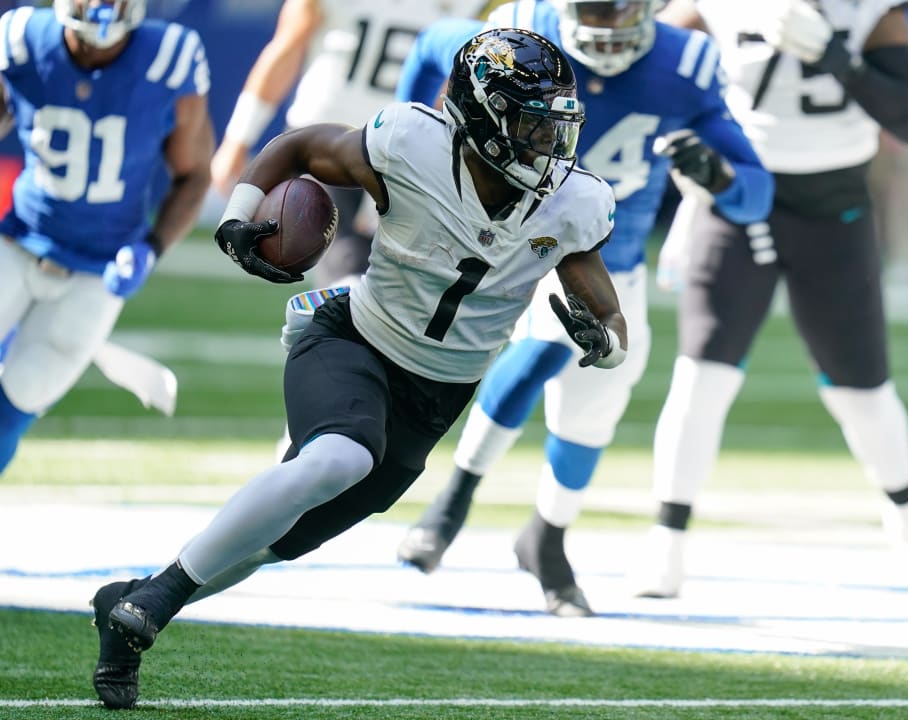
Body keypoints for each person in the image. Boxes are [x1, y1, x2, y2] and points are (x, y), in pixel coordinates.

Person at [91, 28, 623, 709]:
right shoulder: (413, 142)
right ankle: (154, 605)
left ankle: (132, 607)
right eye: (529, 124)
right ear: (481, 115)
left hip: (435, 398)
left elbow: (613, 324)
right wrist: (240, 214)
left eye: (554, 128)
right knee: (338, 459)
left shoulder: (574, 202)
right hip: (354, 337)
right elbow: (304, 145)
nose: (545, 144)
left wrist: (603, 342)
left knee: (274, 546)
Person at [393, 0, 773, 617]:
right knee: (545, 347)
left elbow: (757, 196)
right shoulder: (522, 31)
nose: (604, 26)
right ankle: (453, 502)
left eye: (618, 11)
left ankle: (547, 536)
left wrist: (720, 178)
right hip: (528, 241)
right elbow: (435, 44)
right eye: (591, 8)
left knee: (590, 415)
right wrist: (411, 139)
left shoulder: (687, 63)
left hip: (616, 262)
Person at [626, 0, 908, 602]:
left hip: (834, 206)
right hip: (734, 194)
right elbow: (643, 60)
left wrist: (836, 58)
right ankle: (666, 540)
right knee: (703, 373)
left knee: (861, 393)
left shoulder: (868, 12)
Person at [0, 0, 213, 475]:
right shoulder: (20, 39)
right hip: (17, 243)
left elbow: (195, 174)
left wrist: (151, 249)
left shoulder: (168, 57)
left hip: (98, 270)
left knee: (18, 402)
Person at [211, 0, 498, 292]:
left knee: (388, 275)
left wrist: (238, 138)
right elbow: (288, 45)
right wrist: (238, 138)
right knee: (345, 259)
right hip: (341, 141)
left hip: (387, 145)